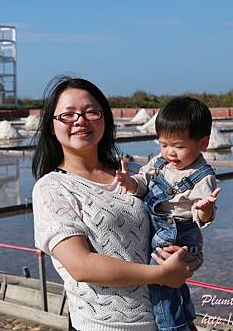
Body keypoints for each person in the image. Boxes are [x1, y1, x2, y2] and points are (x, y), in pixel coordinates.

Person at [32, 76, 211, 331]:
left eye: (91, 112)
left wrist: (187, 257)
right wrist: (162, 275)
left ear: (105, 118)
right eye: (68, 115)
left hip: (169, 316)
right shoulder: (52, 188)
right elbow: (81, 265)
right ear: (52, 126)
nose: (81, 120)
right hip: (107, 325)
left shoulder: (138, 174)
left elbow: (177, 222)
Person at [116, 96, 219, 331]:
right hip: (160, 227)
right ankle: (187, 316)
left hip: (178, 233)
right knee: (176, 284)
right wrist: (130, 182)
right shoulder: (160, 163)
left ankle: (170, 327)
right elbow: (143, 182)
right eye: (163, 144)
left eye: (179, 146)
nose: (170, 152)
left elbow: (202, 218)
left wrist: (205, 209)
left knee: (160, 281)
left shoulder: (202, 176)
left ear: (203, 143)